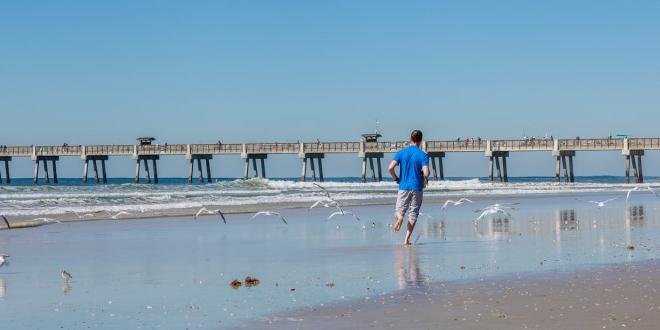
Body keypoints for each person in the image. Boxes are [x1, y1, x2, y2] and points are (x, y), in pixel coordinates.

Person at [388, 130, 430, 245]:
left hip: (403, 186)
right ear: (420, 140)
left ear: (410, 139)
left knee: (398, 210)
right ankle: (406, 239)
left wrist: (396, 178)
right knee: (413, 213)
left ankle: (400, 218)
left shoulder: (401, 153)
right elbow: (426, 173)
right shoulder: (423, 155)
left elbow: (390, 168)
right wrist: (424, 174)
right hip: (417, 187)